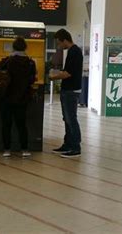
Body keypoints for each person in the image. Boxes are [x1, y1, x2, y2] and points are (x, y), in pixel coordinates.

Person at [0, 36, 36, 158]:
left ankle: (6, 150)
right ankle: (25, 149)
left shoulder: (8, 61)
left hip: (6, 97)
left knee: (6, 124)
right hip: (22, 98)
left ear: (13, 47)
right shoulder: (30, 63)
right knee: (21, 124)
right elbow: (32, 79)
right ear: (25, 47)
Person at [49, 29, 83, 158]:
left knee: (71, 119)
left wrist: (53, 77)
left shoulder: (74, 52)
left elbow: (68, 73)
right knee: (67, 119)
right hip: (67, 90)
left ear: (64, 40)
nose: (58, 46)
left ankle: (75, 147)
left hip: (71, 90)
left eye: (59, 43)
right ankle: (67, 144)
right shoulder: (72, 51)